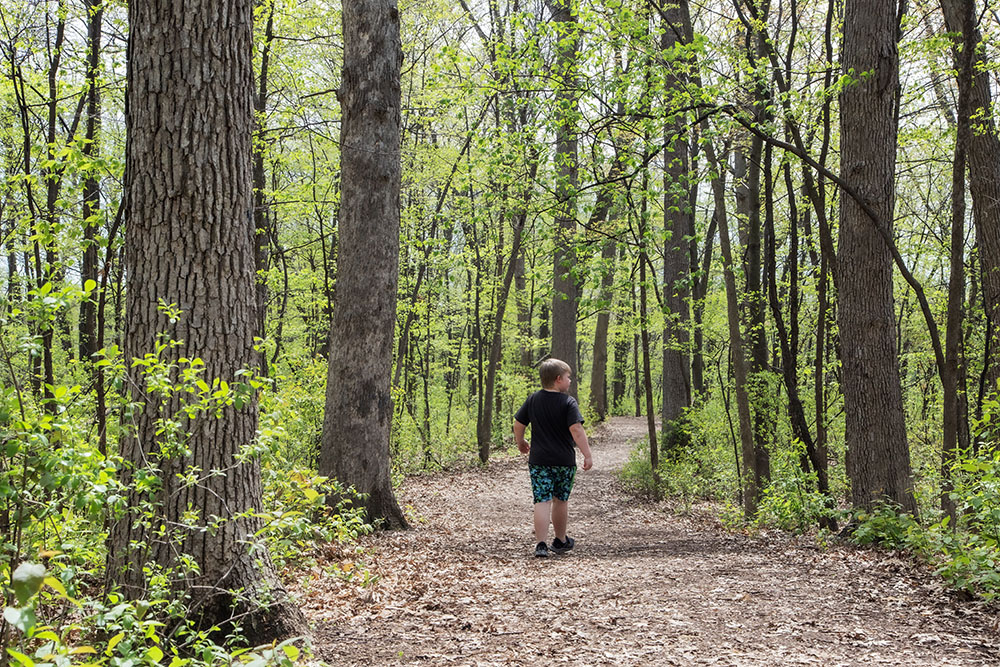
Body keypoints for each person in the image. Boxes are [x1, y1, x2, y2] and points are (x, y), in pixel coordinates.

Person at [513, 358, 593, 558]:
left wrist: (520, 442)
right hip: (563, 461)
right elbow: (576, 429)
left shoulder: (533, 399)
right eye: (568, 378)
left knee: (542, 500)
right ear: (558, 379)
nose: (570, 381)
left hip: (539, 460)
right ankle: (560, 540)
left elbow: (518, 422)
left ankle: (541, 544)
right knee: (560, 501)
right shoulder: (568, 402)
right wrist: (587, 453)